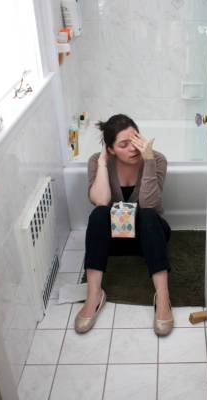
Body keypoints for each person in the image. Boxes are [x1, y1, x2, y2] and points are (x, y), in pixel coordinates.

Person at [75, 114, 174, 336]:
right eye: (123, 144)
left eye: (135, 139)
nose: (133, 148)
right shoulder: (97, 161)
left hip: (150, 237)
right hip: (114, 242)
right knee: (99, 215)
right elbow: (99, 201)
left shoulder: (156, 159)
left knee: (147, 215)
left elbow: (149, 203)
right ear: (110, 149)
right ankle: (94, 295)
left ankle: (163, 297)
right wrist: (101, 162)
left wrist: (148, 161)